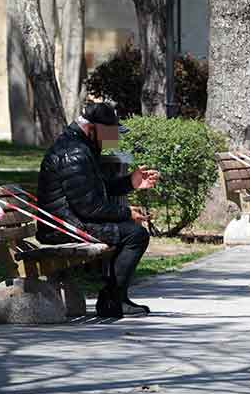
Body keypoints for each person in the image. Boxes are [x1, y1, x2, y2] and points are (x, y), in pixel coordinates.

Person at [36, 102, 160, 317]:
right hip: (63, 227)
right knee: (135, 234)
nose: (114, 139)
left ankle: (113, 299)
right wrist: (127, 213)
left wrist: (130, 182)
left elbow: (95, 190)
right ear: (92, 128)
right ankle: (113, 301)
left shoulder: (81, 147)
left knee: (131, 232)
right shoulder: (75, 153)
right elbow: (89, 206)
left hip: (71, 220)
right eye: (111, 133)